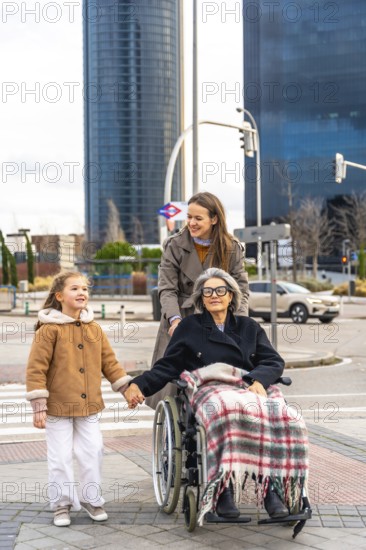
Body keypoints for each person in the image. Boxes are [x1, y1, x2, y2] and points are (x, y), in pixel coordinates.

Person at [125, 268, 309, 521]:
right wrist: (139, 385)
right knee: (226, 411)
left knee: (285, 416)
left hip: (248, 386)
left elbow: (273, 361)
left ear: (231, 296)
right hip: (210, 387)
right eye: (208, 291)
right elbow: (169, 365)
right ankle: (223, 490)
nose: (214, 295)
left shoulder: (248, 326)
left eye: (220, 290)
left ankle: (272, 491)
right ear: (201, 298)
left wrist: (257, 379)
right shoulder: (189, 327)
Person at [26, 271, 132, 527]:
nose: (82, 292)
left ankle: (90, 498)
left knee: (92, 451)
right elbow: (35, 368)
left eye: (85, 288)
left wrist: (127, 388)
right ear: (59, 296)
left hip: (89, 405)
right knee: (60, 456)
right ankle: (62, 503)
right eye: (75, 288)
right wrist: (39, 406)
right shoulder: (48, 330)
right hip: (57, 406)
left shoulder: (94, 329)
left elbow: (110, 363)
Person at [146, 191, 250, 409]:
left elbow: (241, 290)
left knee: (221, 378)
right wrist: (174, 320)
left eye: (198, 218)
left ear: (214, 219)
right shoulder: (174, 245)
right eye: (189, 217)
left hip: (218, 319)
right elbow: (167, 289)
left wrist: (238, 324)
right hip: (181, 317)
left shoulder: (231, 248)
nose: (191, 223)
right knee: (173, 386)